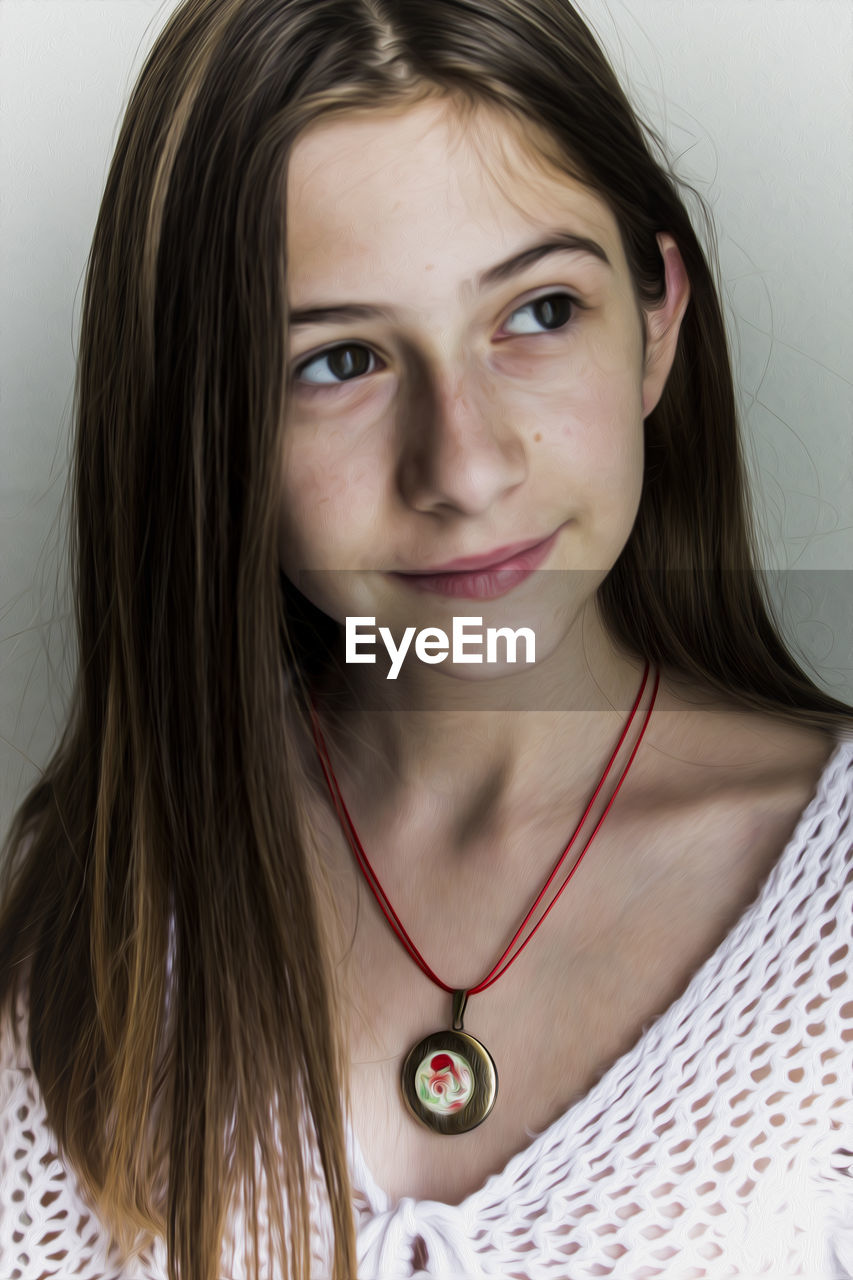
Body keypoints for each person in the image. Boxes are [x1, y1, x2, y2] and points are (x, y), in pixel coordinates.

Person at [1, 0, 852, 1277]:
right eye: (338, 360)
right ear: (201, 421)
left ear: (656, 315)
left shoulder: (827, 915)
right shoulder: (77, 924)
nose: (462, 465)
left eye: (540, 312)